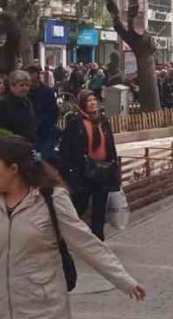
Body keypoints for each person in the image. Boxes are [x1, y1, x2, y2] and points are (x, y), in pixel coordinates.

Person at [0, 137, 146, 319]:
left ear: (13, 169)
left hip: (43, 310)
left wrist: (124, 280)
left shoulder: (51, 199)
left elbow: (86, 243)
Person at [56, 90, 119, 240]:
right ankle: (68, 236)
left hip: (102, 170)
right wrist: (68, 170)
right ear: (82, 104)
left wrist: (114, 168)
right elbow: (66, 148)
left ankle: (98, 238)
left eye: (94, 100)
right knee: (79, 204)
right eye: (89, 101)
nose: (92, 103)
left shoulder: (103, 121)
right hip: (83, 171)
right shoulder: (75, 122)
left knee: (99, 207)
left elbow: (110, 145)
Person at [0, 70, 36, 142]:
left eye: (27, 85)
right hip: (10, 145)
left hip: (27, 144)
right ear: (12, 86)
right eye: (21, 85)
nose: (25, 88)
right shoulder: (3, 104)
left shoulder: (28, 102)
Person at [27, 66, 59, 163]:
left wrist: (41, 122)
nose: (30, 77)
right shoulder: (25, 92)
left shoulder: (47, 92)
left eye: (32, 73)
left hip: (44, 132)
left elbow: (53, 112)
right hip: (27, 132)